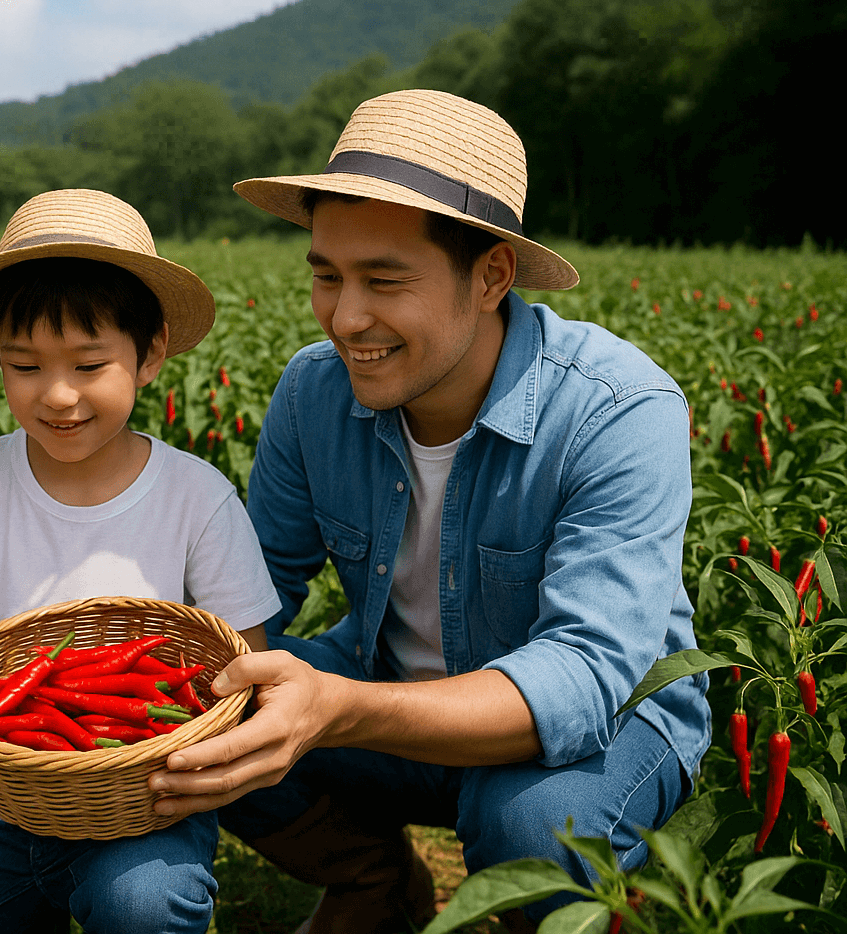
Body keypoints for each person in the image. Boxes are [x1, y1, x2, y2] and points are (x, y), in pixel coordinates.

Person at [148, 90, 711, 932]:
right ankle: (375, 885)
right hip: (389, 689)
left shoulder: (616, 409)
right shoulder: (313, 392)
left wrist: (340, 708)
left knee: (530, 826)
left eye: (384, 281)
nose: (345, 318)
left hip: (603, 730)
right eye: (327, 276)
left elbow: (586, 676)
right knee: (195, 703)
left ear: (490, 277)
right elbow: (253, 589)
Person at [0, 189, 282, 934]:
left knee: (141, 904)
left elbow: (247, 673)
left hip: (146, 809)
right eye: (26, 365)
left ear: (152, 353)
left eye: (90, 364)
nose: (59, 395)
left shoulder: (196, 498)